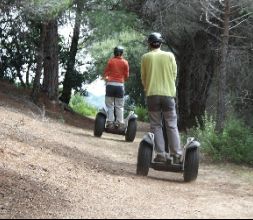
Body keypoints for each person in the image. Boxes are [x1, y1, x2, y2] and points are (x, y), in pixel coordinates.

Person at [141, 32, 183, 163]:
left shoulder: (145, 57)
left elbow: (143, 78)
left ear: (149, 44)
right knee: (171, 124)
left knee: (156, 125)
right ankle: (176, 154)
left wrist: (148, 87)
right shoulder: (169, 56)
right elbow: (174, 74)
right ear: (161, 43)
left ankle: (161, 154)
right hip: (168, 95)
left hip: (152, 95)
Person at [103, 46, 129, 129]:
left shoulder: (110, 61)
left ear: (114, 52)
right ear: (122, 53)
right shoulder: (125, 62)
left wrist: (108, 78)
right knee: (119, 106)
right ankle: (119, 123)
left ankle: (110, 122)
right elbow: (127, 76)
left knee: (110, 105)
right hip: (119, 86)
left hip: (110, 85)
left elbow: (106, 74)